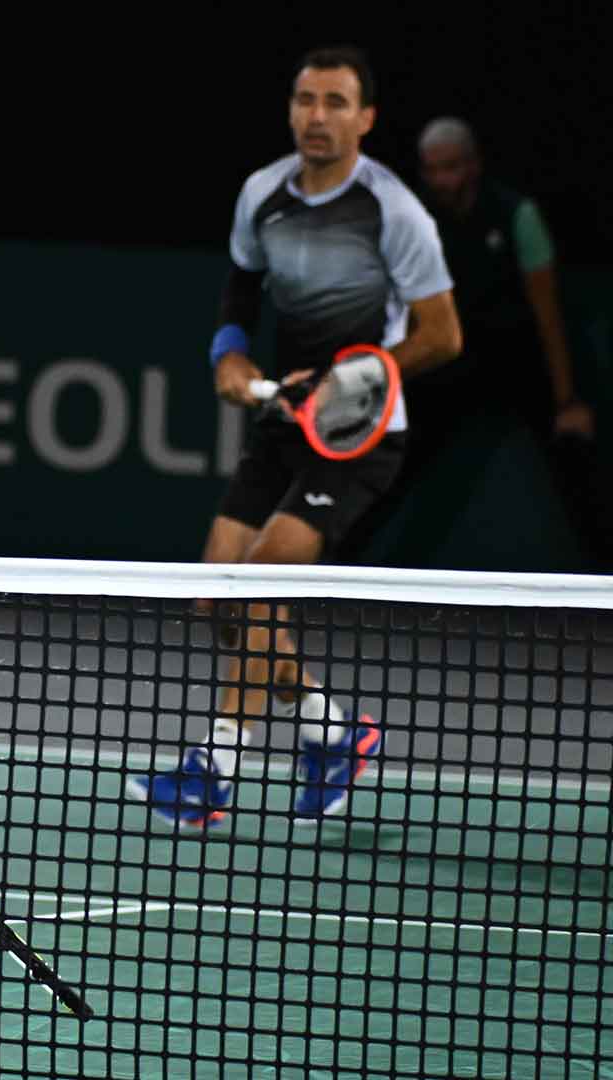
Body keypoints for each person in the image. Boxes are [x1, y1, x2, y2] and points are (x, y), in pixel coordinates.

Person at [128, 46, 463, 828]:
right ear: (291, 109)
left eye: (337, 102)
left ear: (366, 118)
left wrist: (358, 377)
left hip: (360, 434)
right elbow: (241, 288)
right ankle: (331, 731)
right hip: (287, 418)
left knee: (260, 581)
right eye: (306, 100)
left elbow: (443, 334)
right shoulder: (262, 193)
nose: (318, 116)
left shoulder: (394, 211)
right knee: (218, 597)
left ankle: (213, 770)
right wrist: (229, 355)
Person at [338, 117, 608, 568]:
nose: (443, 180)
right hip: (449, 364)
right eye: (434, 170)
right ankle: (333, 571)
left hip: (520, 362)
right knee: (389, 464)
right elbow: (397, 308)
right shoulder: (413, 220)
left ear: (474, 165)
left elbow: (548, 316)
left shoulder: (517, 215)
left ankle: (606, 580)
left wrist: (566, 400)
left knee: (577, 460)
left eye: (452, 168)